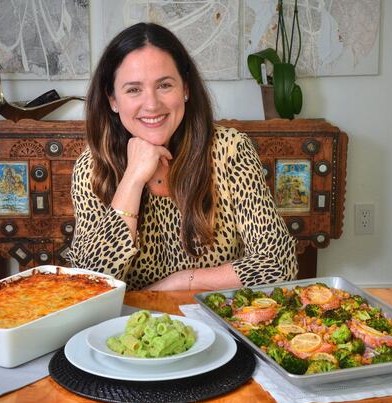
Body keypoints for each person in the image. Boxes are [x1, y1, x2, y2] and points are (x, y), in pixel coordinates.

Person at [69, 22, 298, 291]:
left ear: (186, 89)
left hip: (217, 322)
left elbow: (279, 264)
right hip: (127, 329)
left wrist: (181, 282)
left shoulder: (230, 150)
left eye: (164, 85)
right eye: (133, 89)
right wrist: (132, 179)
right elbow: (89, 284)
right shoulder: (93, 167)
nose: (152, 104)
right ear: (113, 100)